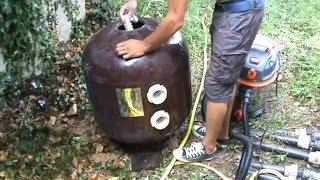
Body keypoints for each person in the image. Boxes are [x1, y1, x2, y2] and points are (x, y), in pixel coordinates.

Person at [116, 0, 265, 162]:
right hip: (232, 9)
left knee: (218, 83)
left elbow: (175, 20)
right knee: (225, 76)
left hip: (240, 13)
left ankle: (209, 147)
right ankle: (221, 135)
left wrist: (144, 45)